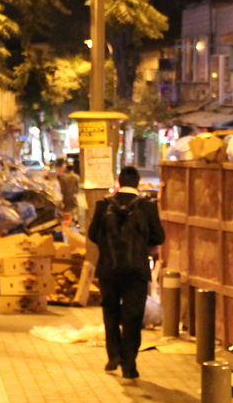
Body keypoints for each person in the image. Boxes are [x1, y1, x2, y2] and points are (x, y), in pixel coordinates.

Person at [87, 166, 165, 381]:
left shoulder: (103, 205)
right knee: (132, 316)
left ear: (119, 182)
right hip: (136, 271)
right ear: (138, 183)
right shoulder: (147, 207)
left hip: (109, 269)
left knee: (110, 312)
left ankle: (113, 356)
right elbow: (159, 236)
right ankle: (129, 364)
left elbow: (93, 234)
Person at [55, 158, 82, 228]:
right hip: (73, 196)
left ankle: (68, 223)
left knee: (66, 210)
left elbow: (62, 188)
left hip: (66, 196)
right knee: (74, 209)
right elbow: (77, 187)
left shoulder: (63, 177)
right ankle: (75, 222)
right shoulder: (76, 177)